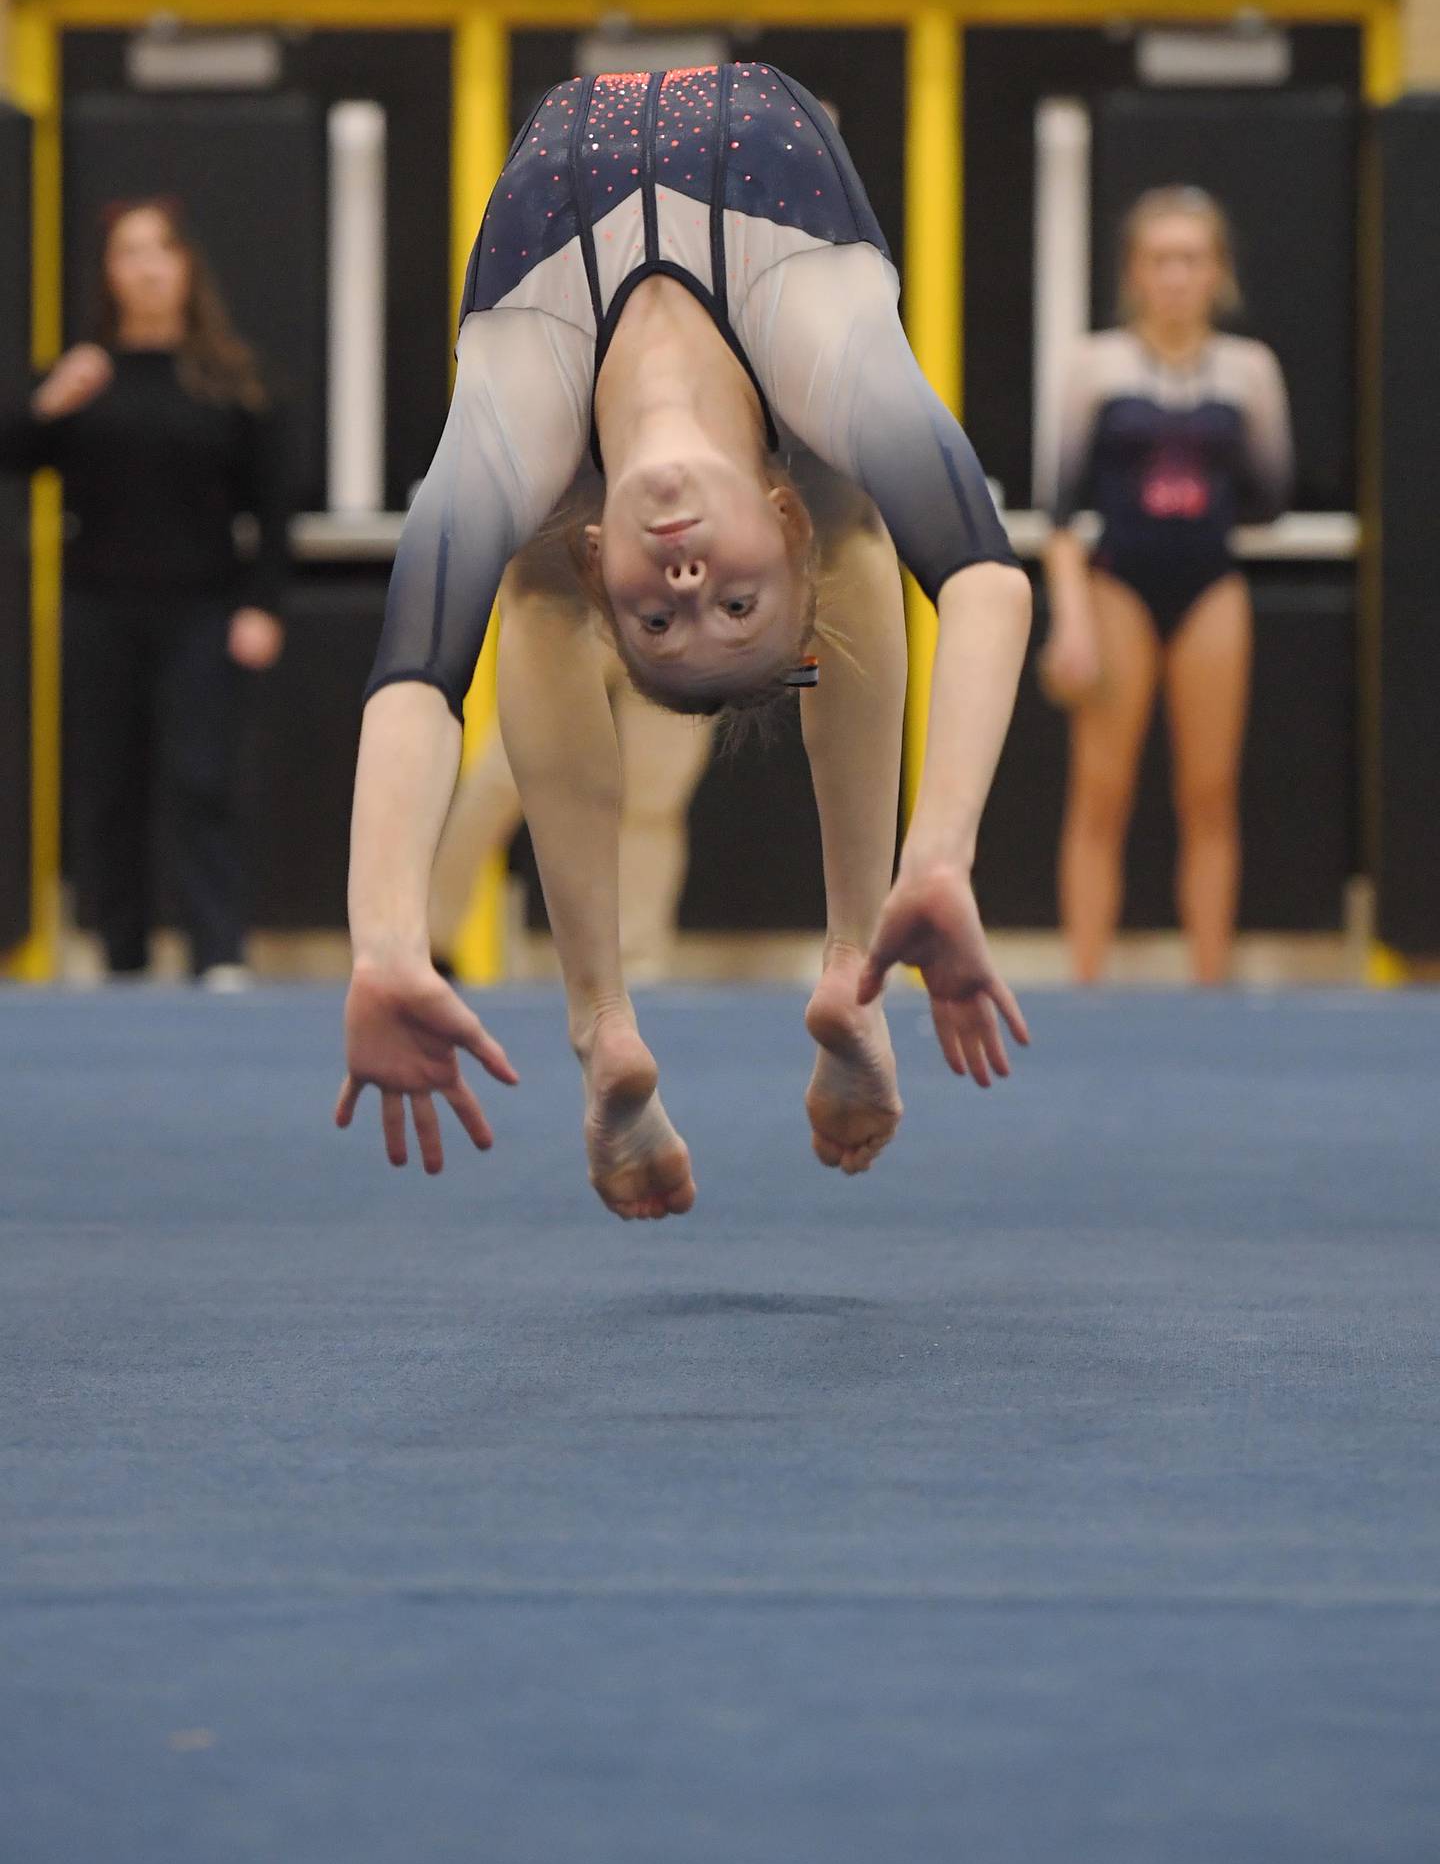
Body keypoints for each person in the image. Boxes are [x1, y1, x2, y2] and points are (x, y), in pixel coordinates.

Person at [337, 63, 1033, 1215]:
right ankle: (853, 968)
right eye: (737, 606)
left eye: (658, 617)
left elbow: (414, 676)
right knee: (859, 520)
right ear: (775, 520)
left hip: (571, 423)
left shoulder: (524, 402)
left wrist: (383, 942)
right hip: (787, 373)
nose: (689, 580)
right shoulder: (820, 340)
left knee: (525, 572)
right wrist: (941, 850)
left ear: (610, 559)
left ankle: (600, 1025)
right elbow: (981, 575)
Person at [0, 197, 288, 984]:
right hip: (100, 609)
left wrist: (262, 604)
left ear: (186, 266)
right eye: (128, 253)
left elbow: (271, 506)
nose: (147, 268)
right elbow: (16, 451)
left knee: (204, 779)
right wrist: (46, 403)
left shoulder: (229, 378)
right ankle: (120, 953)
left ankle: (219, 950)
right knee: (107, 786)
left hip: (203, 609)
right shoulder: (84, 372)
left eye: (160, 250)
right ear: (108, 273)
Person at [1038, 186, 1293, 985]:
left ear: (1217, 272)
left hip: (1210, 585)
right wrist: (1071, 621)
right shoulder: (1095, 364)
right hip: (1117, 586)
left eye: (1191, 259)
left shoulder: (1249, 370)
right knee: (1100, 793)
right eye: (1160, 260)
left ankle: (1210, 986)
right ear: (1134, 273)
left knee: (1210, 794)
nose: (1176, 276)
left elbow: (1271, 490)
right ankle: (1086, 983)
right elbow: (1059, 508)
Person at [428, 520, 714, 985]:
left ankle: (637, 962)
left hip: (681, 598)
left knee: (655, 796)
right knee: (511, 770)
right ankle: (426, 935)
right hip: (567, 582)